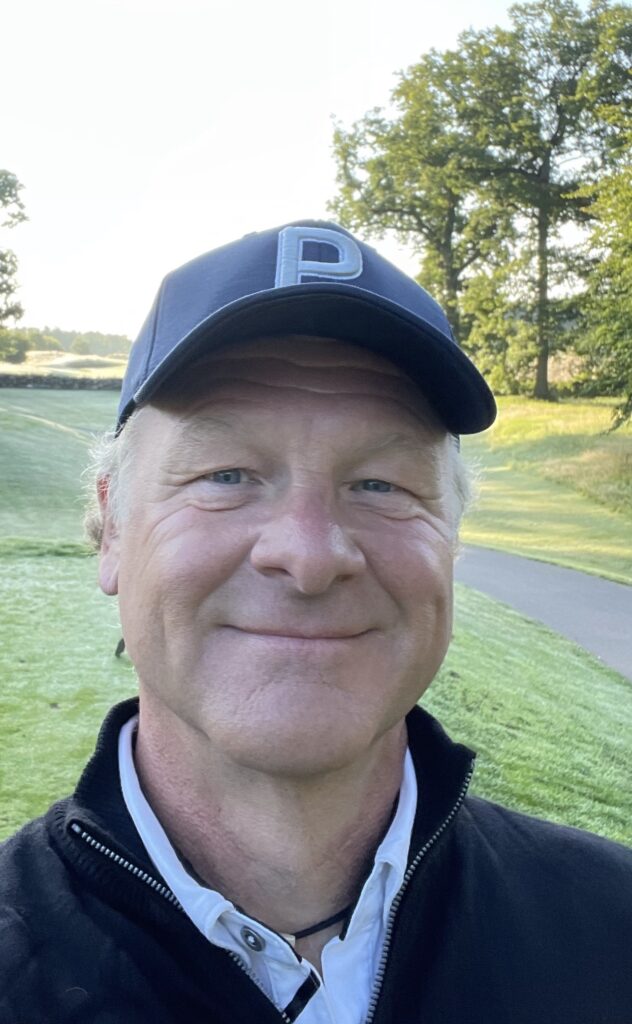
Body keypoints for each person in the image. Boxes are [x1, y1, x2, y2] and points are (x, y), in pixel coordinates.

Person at [1, 221, 631, 1024]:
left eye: (380, 484)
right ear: (113, 528)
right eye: (225, 474)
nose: (309, 555)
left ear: (453, 540)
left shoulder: (612, 931)